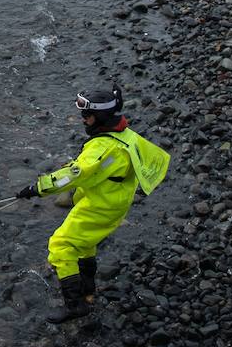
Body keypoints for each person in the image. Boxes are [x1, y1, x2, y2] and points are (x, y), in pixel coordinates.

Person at [15, 86, 170, 323]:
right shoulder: (126, 135)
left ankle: (75, 305)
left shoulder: (100, 148)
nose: (83, 119)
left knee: (60, 245)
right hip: (114, 198)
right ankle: (87, 291)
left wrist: (37, 188)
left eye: (86, 115)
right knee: (86, 244)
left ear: (101, 117)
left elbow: (74, 174)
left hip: (102, 204)